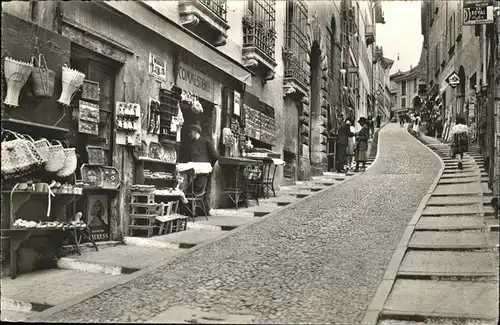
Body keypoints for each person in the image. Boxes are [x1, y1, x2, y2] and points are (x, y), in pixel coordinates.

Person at [186, 124, 219, 215]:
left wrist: (208, 166)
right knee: (189, 191)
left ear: (195, 132)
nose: (189, 134)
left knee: (201, 190)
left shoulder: (206, 141)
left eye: (190, 132)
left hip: (204, 171)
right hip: (193, 172)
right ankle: (192, 211)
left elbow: (215, 156)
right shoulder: (192, 143)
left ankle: (204, 210)